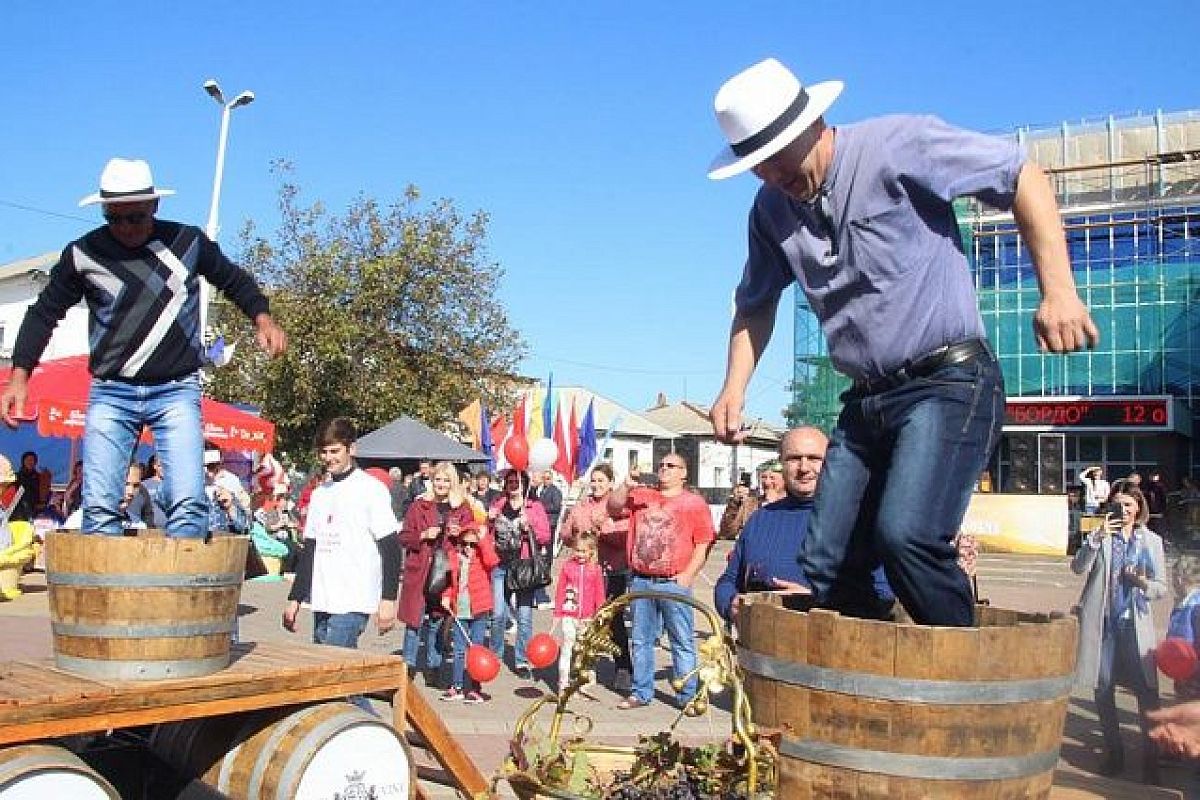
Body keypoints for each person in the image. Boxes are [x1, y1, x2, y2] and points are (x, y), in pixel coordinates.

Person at [705, 58, 1098, 627]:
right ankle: (877, 674)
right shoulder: (770, 211)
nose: (771, 173)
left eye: (779, 156)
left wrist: (1058, 291)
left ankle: (970, 682)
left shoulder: (899, 146)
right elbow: (755, 301)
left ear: (813, 125)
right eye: (756, 164)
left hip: (947, 383)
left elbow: (1022, 177)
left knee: (908, 535)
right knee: (826, 561)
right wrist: (733, 387)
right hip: (867, 402)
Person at [0, 158, 287, 538]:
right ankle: (106, 595)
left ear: (154, 207)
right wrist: (20, 376)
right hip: (111, 389)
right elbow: (43, 313)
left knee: (188, 502)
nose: (125, 228)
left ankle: (182, 594)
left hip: (175, 389)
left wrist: (262, 319)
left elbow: (234, 280)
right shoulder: (83, 254)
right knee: (99, 504)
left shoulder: (187, 243)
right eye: (114, 218)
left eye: (134, 217)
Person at [715, 427, 892, 625]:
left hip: (833, 645)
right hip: (761, 647)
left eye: (814, 458)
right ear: (781, 463)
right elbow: (729, 580)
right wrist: (730, 603)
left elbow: (885, 595)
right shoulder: (761, 519)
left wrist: (815, 600)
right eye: (794, 458)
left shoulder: (860, 521)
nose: (803, 468)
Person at [1071, 487, 1167, 782]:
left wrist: (1142, 583)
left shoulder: (1151, 541)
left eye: (1128, 504)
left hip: (1134, 624)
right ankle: (1115, 753)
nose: (1123, 510)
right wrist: (1095, 539)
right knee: (1103, 689)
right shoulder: (1102, 538)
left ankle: (1151, 761)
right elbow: (1078, 568)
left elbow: (1161, 587)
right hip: (1104, 624)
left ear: (1139, 508)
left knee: (1147, 693)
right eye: (1118, 505)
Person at [282, 418, 400, 655]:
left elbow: (391, 548)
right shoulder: (319, 494)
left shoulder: (371, 489)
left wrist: (388, 599)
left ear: (351, 449)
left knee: (334, 669)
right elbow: (310, 550)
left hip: (354, 599)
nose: (328, 458)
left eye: (335, 451)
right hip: (323, 597)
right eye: (324, 452)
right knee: (325, 675)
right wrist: (295, 598)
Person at [608, 453, 714, 712]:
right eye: (662, 465)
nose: (664, 469)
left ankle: (687, 696)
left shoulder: (694, 503)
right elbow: (612, 507)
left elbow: (703, 544)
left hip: (673, 582)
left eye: (671, 466)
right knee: (641, 640)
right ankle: (641, 691)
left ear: (684, 473)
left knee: (682, 641)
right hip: (642, 581)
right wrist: (627, 483)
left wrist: (688, 574)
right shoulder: (642, 496)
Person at [399, 462, 474, 685]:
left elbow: (473, 538)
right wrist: (423, 535)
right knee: (414, 622)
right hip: (420, 569)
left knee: (438, 621)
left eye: (445, 480)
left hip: (445, 570)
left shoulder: (462, 508)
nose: (441, 484)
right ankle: (408, 666)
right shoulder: (419, 505)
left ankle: (434, 665)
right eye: (437, 480)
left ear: (453, 483)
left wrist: (459, 533)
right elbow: (404, 537)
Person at [561, 463, 633, 694]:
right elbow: (566, 535)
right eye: (594, 480)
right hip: (585, 573)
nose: (596, 485)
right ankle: (582, 667)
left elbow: (625, 540)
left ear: (611, 483)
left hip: (613, 572)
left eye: (601, 480)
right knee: (582, 620)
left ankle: (623, 668)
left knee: (613, 622)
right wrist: (574, 533)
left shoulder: (619, 508)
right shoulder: (582, 507)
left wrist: (603, 528)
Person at [488, 468, 551, 675]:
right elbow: (487, 535)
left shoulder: (534, 506)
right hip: (500, 565)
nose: (513, 485)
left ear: (525, 484)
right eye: (510, 481)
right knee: (498, 614)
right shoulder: (498, 504)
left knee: (524, 615)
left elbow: (545, 537)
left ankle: (522, 660)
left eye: (517, 482)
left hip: (523, 567)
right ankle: (495, 654)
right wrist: (489, 520)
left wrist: (529, 526)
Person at [437, 509, 498, 704]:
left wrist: (483, 540)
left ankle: (475, 687)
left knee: (477, 648)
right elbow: (449, 583)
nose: (469, 548)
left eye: (473, 544)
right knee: (459, 650)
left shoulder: (482, 558)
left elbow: (493, 561)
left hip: (479, 609)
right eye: (465, 543)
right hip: (460, 609)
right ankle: (457, 686)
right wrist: (446, 597)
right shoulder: (454, 557)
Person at [552, 530, 606, 693]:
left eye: (583, 551)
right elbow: (561, 589)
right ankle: (563, 682)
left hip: (588, 617)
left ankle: (582, 680)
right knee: (567, 646)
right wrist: (557, 612)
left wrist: (600, 613)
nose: (580, 554)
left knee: (583, 650)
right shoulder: (568, 567)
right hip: (570, 614)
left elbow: (599, 593)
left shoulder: (595, 569)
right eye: (577, 550)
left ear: (591, 551)